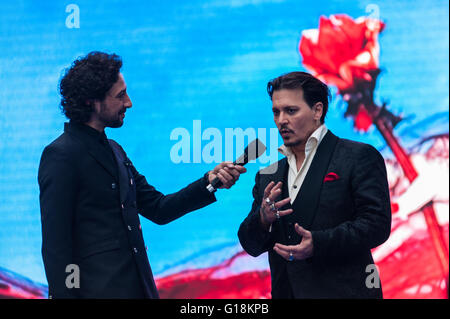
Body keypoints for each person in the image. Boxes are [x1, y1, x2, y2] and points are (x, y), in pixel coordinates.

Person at [38, 51, 246, 299]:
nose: (129, 103)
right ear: (91, 102)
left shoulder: (115, 151)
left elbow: (159, 208)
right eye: (120, 95)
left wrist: (210, 183)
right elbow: (56, 246)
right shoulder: (61, 155)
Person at [238, 71, 391, 298]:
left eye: (291, 110)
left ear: (317, 110)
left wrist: (319, 243)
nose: (281, 120)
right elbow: (251, 244)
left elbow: (377, 225)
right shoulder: (268, 175)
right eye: (276, 112)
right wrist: (262, 219)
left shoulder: (358, 156)